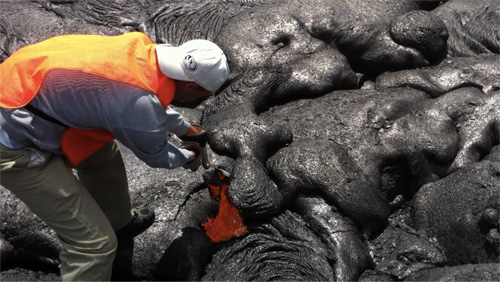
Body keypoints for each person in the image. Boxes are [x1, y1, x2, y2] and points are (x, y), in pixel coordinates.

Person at [0, 31, 229, 281]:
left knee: (100, 150)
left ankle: (118, 221)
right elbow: (156, 153)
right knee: (94, 245)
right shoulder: (136, 102)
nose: (200, 101)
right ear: (191, 85)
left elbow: (145, 100)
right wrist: (187, 155)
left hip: (20, 89)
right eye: (202, 96)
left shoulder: (141, 52)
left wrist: (186, 128)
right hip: (11, 142)